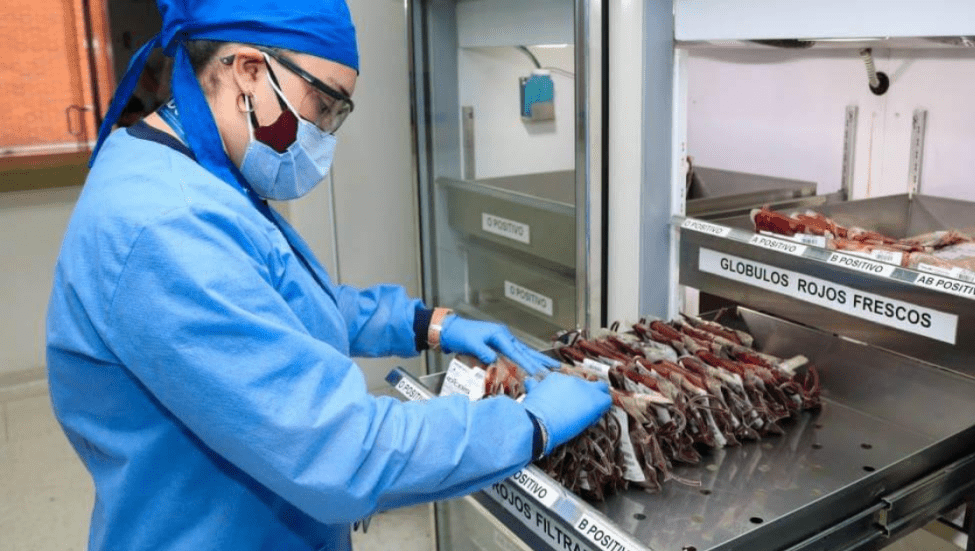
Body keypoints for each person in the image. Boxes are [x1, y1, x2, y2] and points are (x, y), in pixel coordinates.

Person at [44, 1, 612, 550]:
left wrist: (430, 324)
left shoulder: (196, 176)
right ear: (247, 71)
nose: (325, 133)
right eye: (323, 104)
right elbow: (346, 453)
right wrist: (529, 425)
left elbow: (281, 307)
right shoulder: (166, 224)